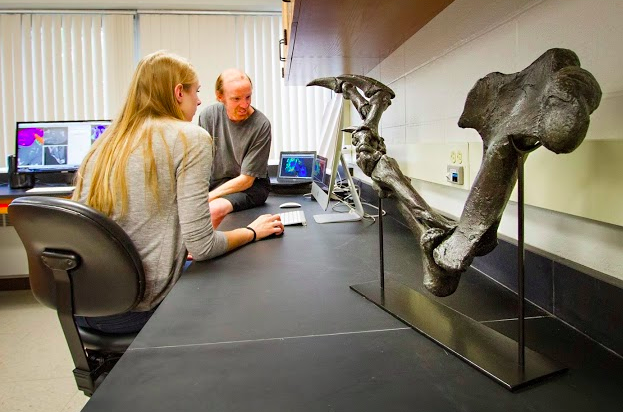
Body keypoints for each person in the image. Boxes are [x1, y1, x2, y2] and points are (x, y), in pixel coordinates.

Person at [72, 51, 284, 334]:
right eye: (195, 92)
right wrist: (253, 231)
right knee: (242, 293)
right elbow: (203, 248)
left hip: (80, 305)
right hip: (136, 306)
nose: (198, 100)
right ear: (177, 92)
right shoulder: (190, 137)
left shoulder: (107, 142)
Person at [198, 68, 272, 228]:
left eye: (248, 97)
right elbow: (200, 165)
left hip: (250, 187)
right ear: (220, 96)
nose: (244, 104)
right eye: (236, 99)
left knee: (213, 209)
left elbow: (246, 180)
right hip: (216, 183)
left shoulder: (261, 125)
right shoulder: (208, 117)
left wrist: (207, 198)